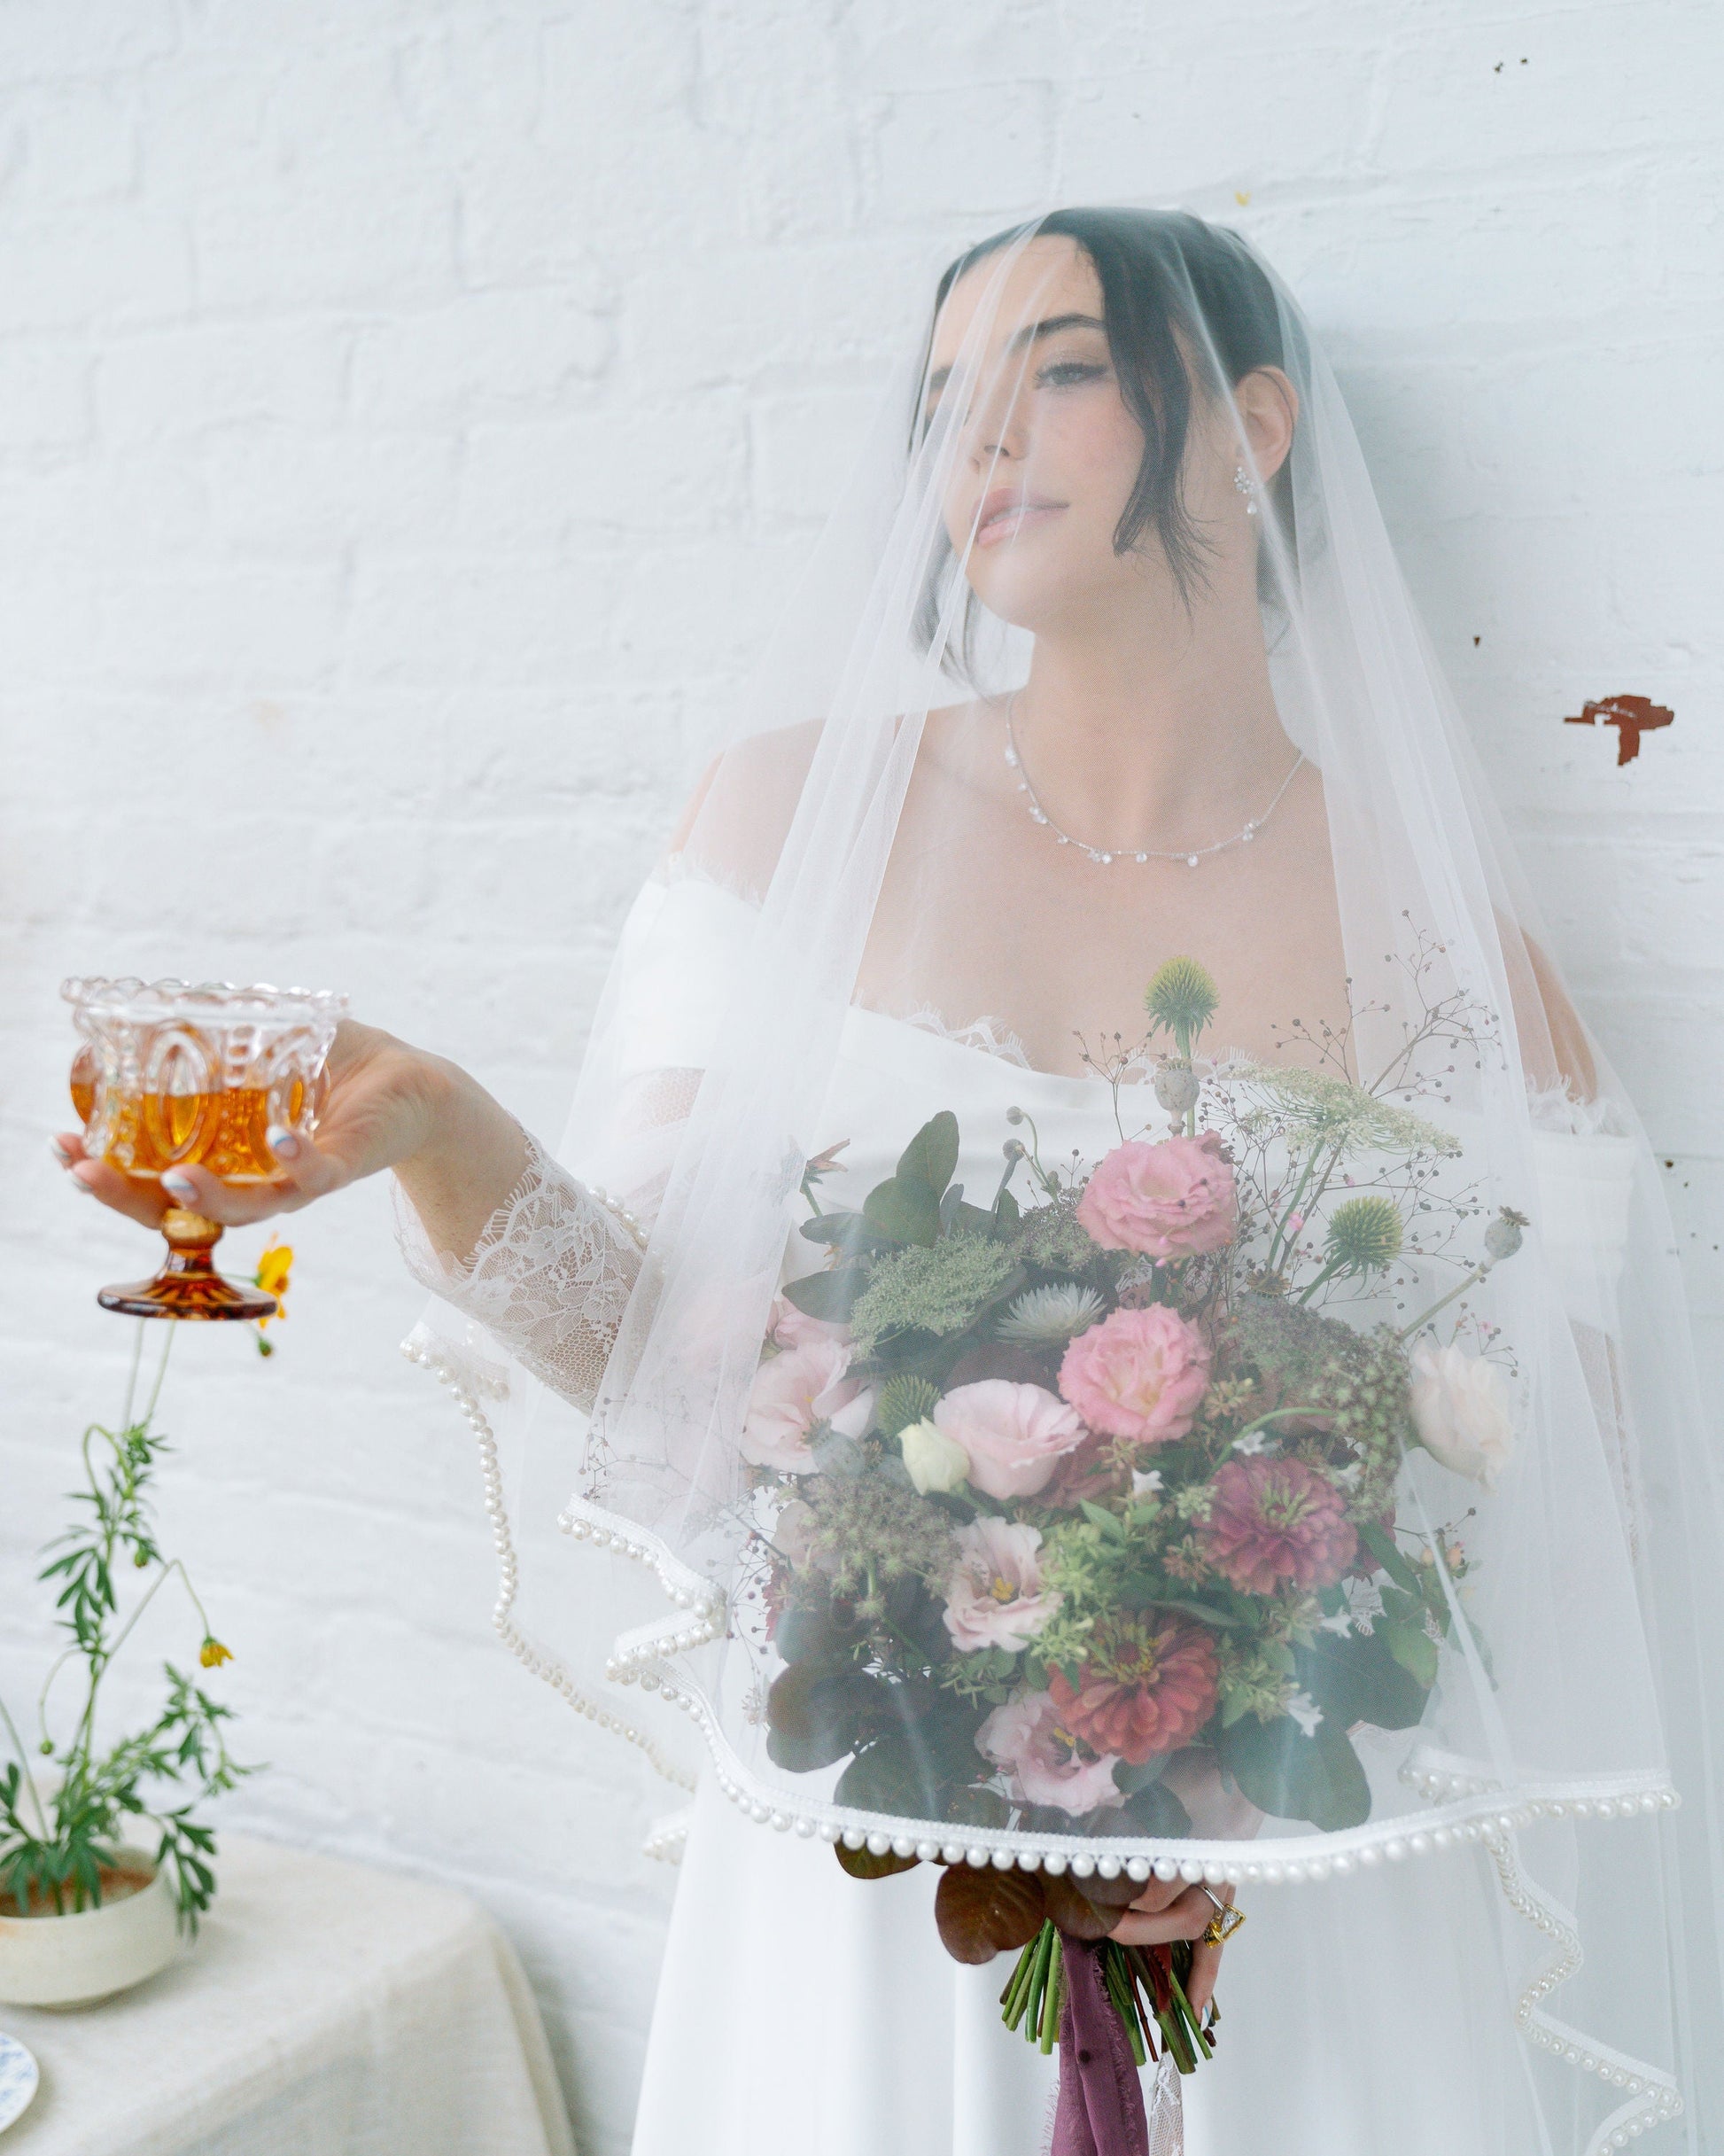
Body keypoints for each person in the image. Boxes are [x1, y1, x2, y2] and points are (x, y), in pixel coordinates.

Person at [58, 208, 1721, 2156]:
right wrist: (440, 1127)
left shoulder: (1433, 932)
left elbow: (1565, 1486)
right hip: (881, 1864)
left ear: (1252, 426)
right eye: (943, 401)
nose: (981, 440)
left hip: (1290, 1908)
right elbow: (660, 1372)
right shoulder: (790, 815)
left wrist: (1235, 1759)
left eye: (1062, 369)